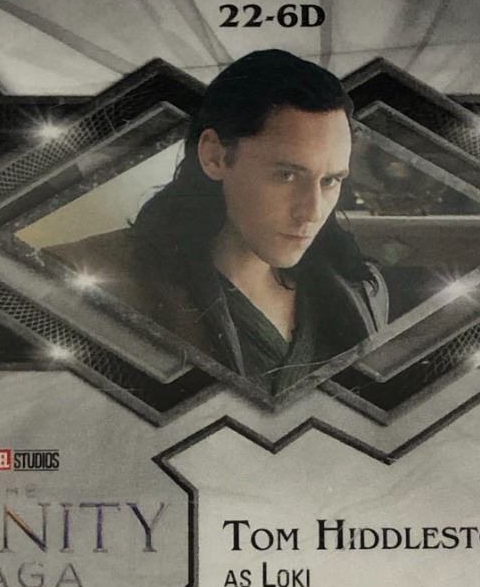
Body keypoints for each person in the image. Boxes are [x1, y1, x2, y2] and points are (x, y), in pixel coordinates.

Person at [52, 50, 388, 396]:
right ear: (214, 156)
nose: (312, 211)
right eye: (286, 175)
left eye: (330, 181)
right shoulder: (90, 283)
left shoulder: (363, 290)